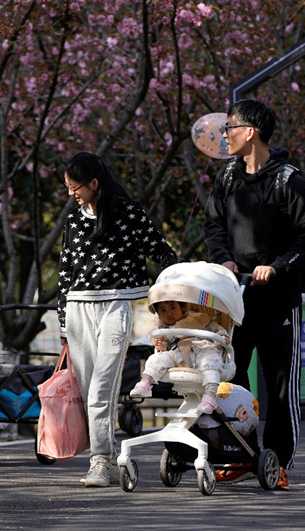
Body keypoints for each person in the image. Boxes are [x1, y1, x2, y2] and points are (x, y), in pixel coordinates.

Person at [203, 98, 305, 491]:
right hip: (235, 300)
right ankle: (240, 454)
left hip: (278, 302)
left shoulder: (288, 180)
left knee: (279, 386)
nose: (225, 135)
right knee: (231, 381)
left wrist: (277, 265)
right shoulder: (226, 178)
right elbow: (213, 226)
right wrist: (223, 260)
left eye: (230, 128)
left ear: (251, 131)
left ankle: (277, 460)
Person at [57, 152, 179, 487]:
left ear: (94, 183)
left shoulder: (130, 213)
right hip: (78, 308)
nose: (71, 194)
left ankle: (98, 462)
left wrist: (181, 272)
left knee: (100, 390)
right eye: (67, 187)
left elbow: (158, 248)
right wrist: (63, 325)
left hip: (116, 307)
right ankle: (107, 462)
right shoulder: (73, 221)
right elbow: (64, 274)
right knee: (87, 393)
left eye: (75, 187)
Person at [129, 300, 230, 413]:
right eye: (163, 310)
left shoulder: (198, 319)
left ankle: (210, 395)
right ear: (159, 315)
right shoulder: (165, 331)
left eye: (173, 308)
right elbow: (165, 350)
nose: (169, 313)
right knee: (157, 358)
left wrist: (223, 336)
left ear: (182, 307)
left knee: (211, 358)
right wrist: (162, 347)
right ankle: (145, 382)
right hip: (178, 356)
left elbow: (217, 328)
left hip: (202, 350)